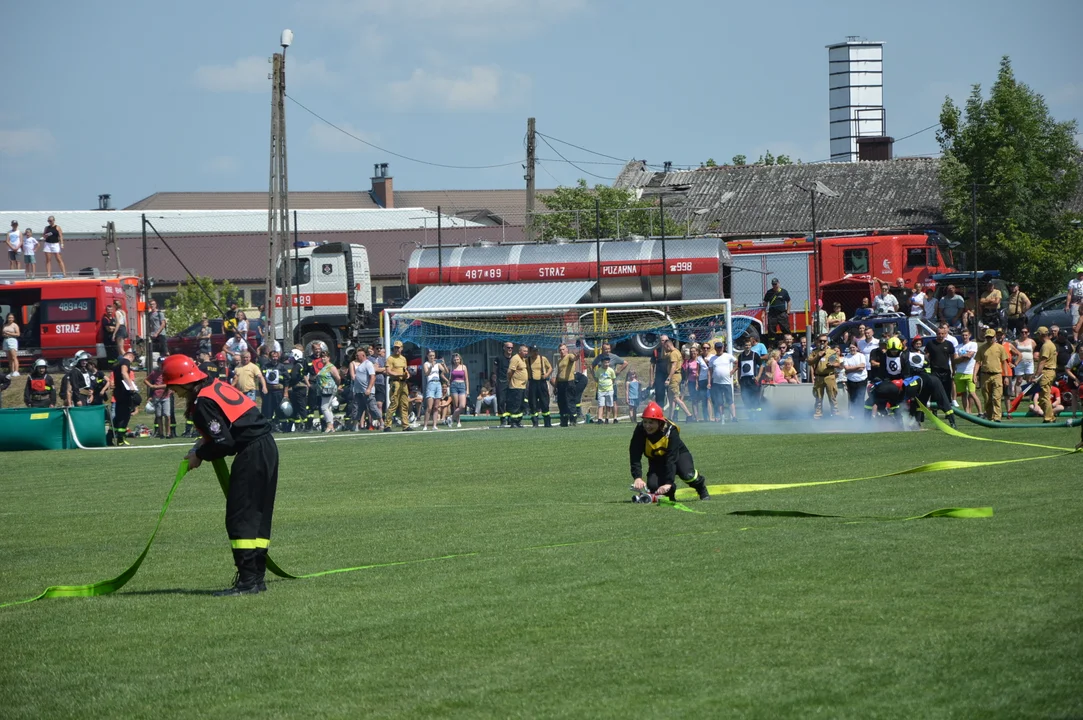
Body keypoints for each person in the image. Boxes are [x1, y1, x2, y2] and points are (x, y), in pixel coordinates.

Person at [161, 355, 278, 596]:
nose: (175, 393)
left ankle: (247, 582)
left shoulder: (203, 402)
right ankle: (257, 578)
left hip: (252, 452)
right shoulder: (215, 385)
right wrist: (202, 445)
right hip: (266, 447)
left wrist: (199, 455)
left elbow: (224, 443)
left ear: (183, 382)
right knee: (257, 515)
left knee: (240, 517)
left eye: (173, 387)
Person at [628, 401, 710, 502]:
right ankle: (671, 492)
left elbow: (672, 457)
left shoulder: (671, 430)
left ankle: (701, 489)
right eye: (645, 422)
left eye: (651, 422)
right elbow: (634, 454)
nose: (647, 426)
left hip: (678, 455)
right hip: (657, 459)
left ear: (659, 422)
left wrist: (668, 482)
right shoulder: (640, 430)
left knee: (688, 475)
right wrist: (637, 477)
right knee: (653, 486)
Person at [973, 328, 1009, 421]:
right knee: (987, 398)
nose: (989, 339)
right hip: (985, 375)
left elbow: (1004, 362)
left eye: (991, 337)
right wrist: (974, 375)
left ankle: (997, 417)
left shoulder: (1000, 348)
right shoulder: (982, 348)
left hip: (997, 375)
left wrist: (1006, 377)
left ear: (994, 337)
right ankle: (989, 417)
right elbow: (977, 362)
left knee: (996, 397)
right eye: (987, 337)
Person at [809, 334, 840, 419]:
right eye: (820, 341)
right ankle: (818, 414)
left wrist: (833, 364)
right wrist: (818, 356)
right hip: (819, 377)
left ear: (827, 342)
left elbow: (838, 364)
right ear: (817, 342)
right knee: (818, 397)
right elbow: (809, 362)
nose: (822, 342)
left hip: (829, 376)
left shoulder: (832, 352)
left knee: (832, 396)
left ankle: (835, 414)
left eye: (824, 341)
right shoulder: (814, 352)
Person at [312, 346, 341, 433]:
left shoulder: (331, 367)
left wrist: (337, 386)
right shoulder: (323, 367)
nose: (323, 358)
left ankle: (329, 425)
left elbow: (338, 378)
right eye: (322, 357)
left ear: (329, 357)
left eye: (325, 357)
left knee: (324, 407)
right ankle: (331, 426)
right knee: (328, 408)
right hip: (323, 389)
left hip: (329, 389)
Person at [112, 350, 138, 445]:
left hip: (118, 392)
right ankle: (120, 439)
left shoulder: (117, 363)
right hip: (124, 392)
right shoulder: (125, 361)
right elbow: (124, 373)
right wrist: (131, 386)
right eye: (133, 359)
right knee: (125, 416)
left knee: (118, 416)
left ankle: (110, 436)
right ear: (130, 356)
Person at [707, 340, 737, 423]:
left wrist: (733, 371)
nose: (720, 349)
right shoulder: (712, 359)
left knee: (730, 400)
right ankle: (722, 417)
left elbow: (737, 363)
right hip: (716, 383)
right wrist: (709, 382)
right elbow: (710, 371)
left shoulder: (728, 356)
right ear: (715, 348)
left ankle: (734, 417)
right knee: (719, 401)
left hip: (727, 382)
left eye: (721, 347)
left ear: (723, 348)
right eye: (718, 348)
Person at [144, 358, 173, 438]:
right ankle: (161, 433)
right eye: (160, 363)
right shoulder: (154, 372)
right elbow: (146, 380)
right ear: (158, 363)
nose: (162, 365)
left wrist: (157, 386)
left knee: (167, 415)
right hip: (157, 396)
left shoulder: (167, 372)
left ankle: (168, 433)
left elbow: (169, 384)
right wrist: (151, 386)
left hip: (166, 395)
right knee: (159, 416)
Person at [954, 328, 980, 413]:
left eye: (966, 335)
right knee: (963, 394)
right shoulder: (958, 346)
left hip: (970, 372)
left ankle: (980, 411)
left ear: (969, 335)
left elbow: (969, 356)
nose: (964, 337)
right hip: (959, 372)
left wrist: (961, 357)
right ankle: (966, 411)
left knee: (972, 393)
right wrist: (964, 356)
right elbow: (955, 360)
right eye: (963, 335)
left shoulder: (973, 344)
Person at [526, 345, 553, 428]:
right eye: (534, 351)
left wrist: (546, 375)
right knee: (533, 403)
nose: (535, 353)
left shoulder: (543, 359)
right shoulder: (528, 360)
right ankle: (535, 422)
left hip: (542, 383)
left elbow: (550, 368)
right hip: (532, 383)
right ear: (530, 352)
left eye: (536, 351)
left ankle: (547, 422)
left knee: (545, 402)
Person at [1035, 327, 1058, 423]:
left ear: (1041, 334)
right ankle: (1050, 416)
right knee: (1044, 395)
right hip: (1050, 371)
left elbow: (1042, 362)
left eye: (1038, 334)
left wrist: (1036, 375)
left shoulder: (1046, 346)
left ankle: (1048, 418)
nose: (1037, 336)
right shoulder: (1050, 344)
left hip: (1047, 371)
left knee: (1044, 396)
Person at [421, 350, 446, 431]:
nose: (432, 357)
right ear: (427, 356)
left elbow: (446, 371)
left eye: (433, 355)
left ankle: (434, 425)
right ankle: (425, 425)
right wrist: (431, 367)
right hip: (431, 384)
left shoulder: (437, 364)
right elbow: (426, 373)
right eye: (430, 355)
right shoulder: (426, 364)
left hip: (438, 384)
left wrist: (443, 364)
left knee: (436, 407)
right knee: (429, 407)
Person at [554, 343, 578, 427]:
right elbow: (558, 374)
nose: (561, 351)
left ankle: (573, 420)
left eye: (563, 349)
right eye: (560, 350)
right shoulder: (559, 361)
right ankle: (564, 420)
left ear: (567, 350)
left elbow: (574, 358)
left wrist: (576, 357)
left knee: (570, 402)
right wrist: (555, 386)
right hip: (560, 384)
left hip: (569, 382)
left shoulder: (569, 356)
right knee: (561, 403)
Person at [493, 341, 515, 427]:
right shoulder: (499, 358)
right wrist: (495, 381)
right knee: (501, 401)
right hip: (501, 381)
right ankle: (503, 419)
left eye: (511, 348)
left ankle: (510, 419)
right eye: (508, 347)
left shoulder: (514, 359)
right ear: (504, 348)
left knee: (511, 401)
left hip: (512, 382)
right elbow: (494, 370)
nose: (510, 349)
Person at [737, 338, 761, 414]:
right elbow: (739, 368)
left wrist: (758, 376)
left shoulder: (755, 355)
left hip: (752, 379)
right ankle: (750, 414)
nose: (747, 347)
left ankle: (757, 414)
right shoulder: (740, 356)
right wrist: (738, 379)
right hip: (744, 380)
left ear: (751, 346)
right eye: (746, 345)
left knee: (754, 396)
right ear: (744, 346)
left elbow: (762, 365)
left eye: (749, 345)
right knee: (745, 397)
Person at [763, 278, 791, 344]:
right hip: (772, 315)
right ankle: (772, 345)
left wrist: (788, 311)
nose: (774, 286)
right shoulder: (769, 292)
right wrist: (763, 313)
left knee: (786, 329)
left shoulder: (784, 292)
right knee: (771, 330)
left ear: (778, 283)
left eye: (775, 284)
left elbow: (789, 301)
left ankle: (788, 343)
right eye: (773, 284)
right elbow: (765, 303)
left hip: (782, 314)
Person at [447, 352, 469, 429]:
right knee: (455, 405)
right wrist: (447, 380)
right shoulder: (451, 367)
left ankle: (451, 418)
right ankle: (458, 422)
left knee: (462, 405)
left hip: (462, 385)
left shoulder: (464, 367)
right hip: (454, 385)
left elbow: (466, 379)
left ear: (460, 359)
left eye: (457, 359)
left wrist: (467, 390)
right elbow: (443, 372)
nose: (456, 361)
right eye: (455, 359)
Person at [594, 355, 617, 423]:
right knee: (601, 405)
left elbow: (613, 379)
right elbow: (597, 379)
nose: (606, 364)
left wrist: (609, 386)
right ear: (602, 363)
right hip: (601, 390)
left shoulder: (611, 370)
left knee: (609, 405)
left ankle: (607, 418)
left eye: (608, 362)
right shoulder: (599, 370)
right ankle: (600, 418)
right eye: (605, 362)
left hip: (609, 390)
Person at [1065, 267, 1083, 335]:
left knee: (1081, 323)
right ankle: (1075, 340)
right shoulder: (1072, 282)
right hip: (1075, 303)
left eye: (1082, 273)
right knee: (1074, 323)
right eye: (1080, 273)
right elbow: (1069, 294)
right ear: (1077, 274)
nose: (1081, 275)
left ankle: (1080, 339)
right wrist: (1067, 305)